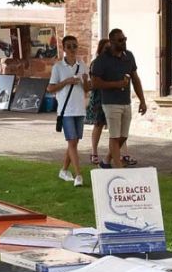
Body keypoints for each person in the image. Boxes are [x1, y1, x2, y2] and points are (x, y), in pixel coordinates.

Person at [89, 28, 147, 168]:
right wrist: (117, 84)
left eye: (125, 39)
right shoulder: (102, 60)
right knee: (114, 137)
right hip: (110, 103)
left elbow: (135, 79)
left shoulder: (129, 56)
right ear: (112, 41)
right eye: (120, 40)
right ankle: (119, 170)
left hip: (126, 101)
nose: (124, 42)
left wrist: (142, 100)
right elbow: (95, 83)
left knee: (123, 136)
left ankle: (105, 162)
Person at [47, 35, 89, 187]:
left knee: (74, 143)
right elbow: (50, 88)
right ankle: (78, 175)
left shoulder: (82, 65)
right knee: (72, 141)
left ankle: (64, 170)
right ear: (64, 48)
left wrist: (85, 81)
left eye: (74, 46)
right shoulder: (58, 67)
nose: (72, 49)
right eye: (69, 46)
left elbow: (87, 89)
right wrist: (66, 81)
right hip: (66, 110)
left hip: (79, 109)